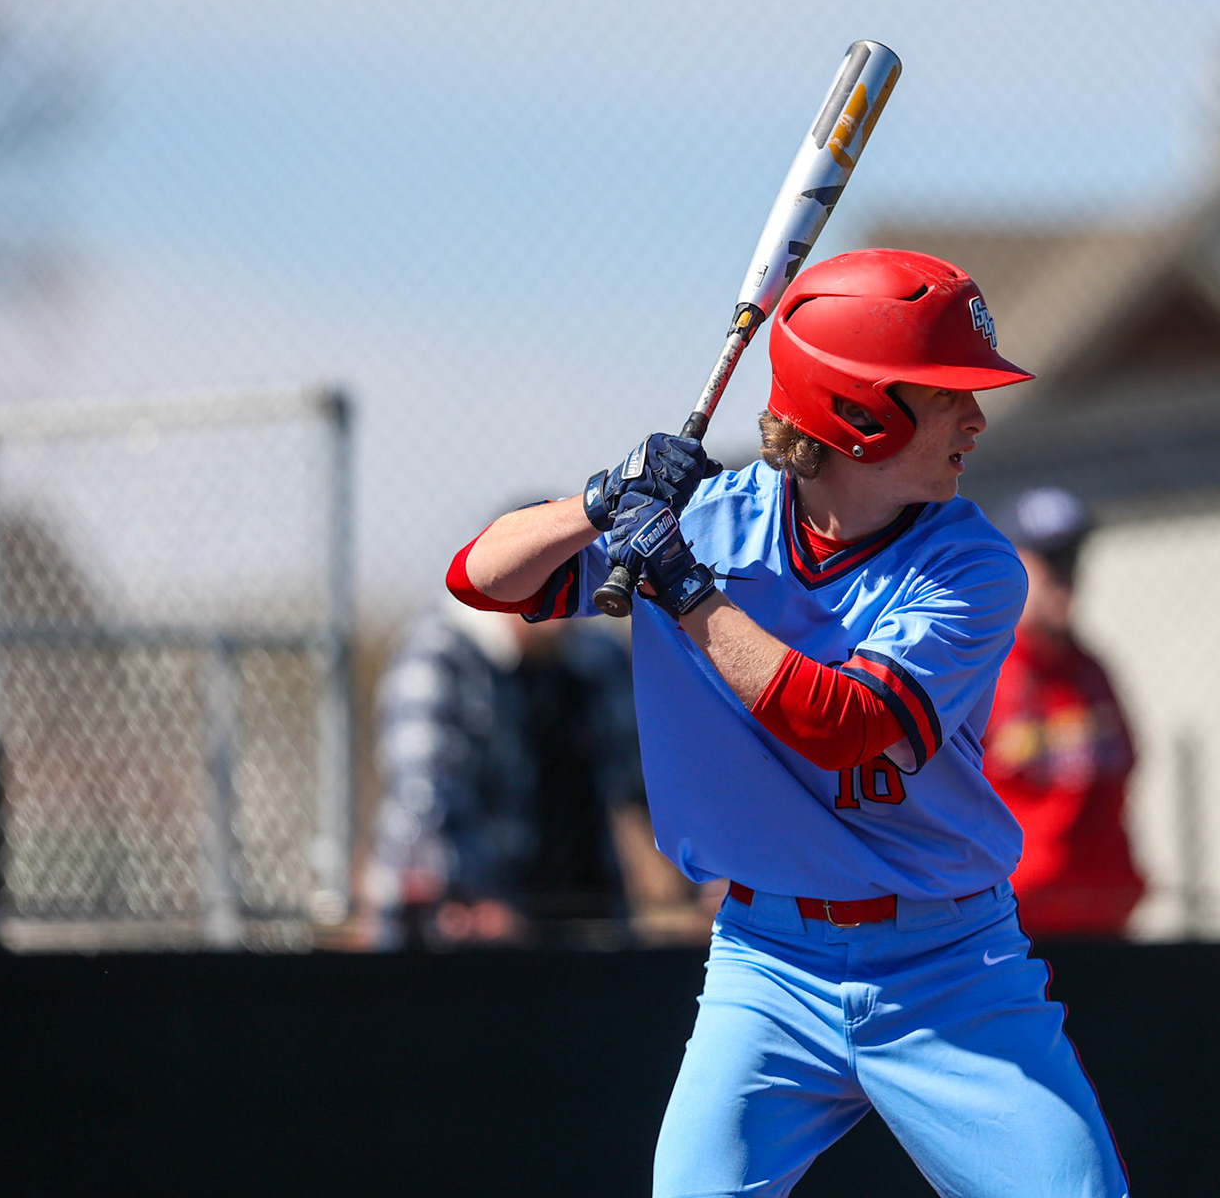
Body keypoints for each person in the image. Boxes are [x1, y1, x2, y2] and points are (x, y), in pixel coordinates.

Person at [446, 249, 1129, 1196]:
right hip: (766, 965)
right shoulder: (710, 519)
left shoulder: (973, 566)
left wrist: (685, 590)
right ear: (857, 411)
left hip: (948, 965)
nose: (976, 419)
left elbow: (845, 724)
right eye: (946, 396)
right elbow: (480, 578)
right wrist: (599, 499)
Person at [364, 594, 715, 949]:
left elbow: (655, 784)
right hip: (459, 931)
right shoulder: (439, 654)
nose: (558, 585)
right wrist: (467, 899)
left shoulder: (598, 660)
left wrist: (712, 878)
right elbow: (422, 795)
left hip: (584, 920)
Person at [985, 486, 1144, 937]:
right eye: (1049, 562)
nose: (1066, 577)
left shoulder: (1090, 671)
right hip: (1013, 925)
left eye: (1072, 559)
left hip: (1100, 914)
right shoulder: (976, 672)